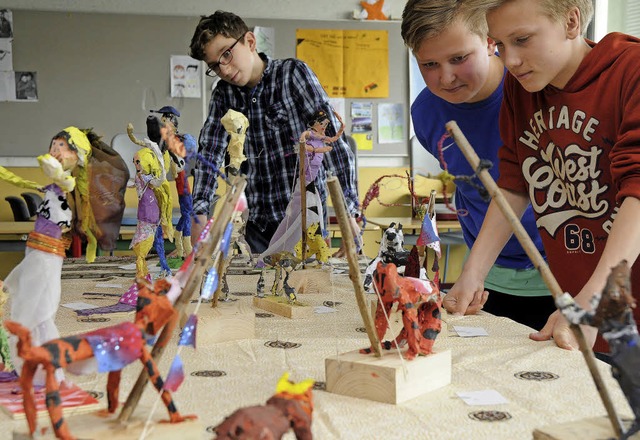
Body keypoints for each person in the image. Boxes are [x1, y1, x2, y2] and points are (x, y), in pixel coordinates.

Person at [454, 0, 640, 354]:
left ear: (571, 21)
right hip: (583, 306)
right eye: (500, 45)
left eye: (522, 39)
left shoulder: (631, 71)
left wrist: (595, 298)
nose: (509, 60)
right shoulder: (521, 88)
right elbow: (513, 181)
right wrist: (473, 272)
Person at [400, 0, 555, 330]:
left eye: (458, 58)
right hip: (487, 276)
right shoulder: (426, 113)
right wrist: (475, 272)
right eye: (428, 63)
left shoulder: (534, 91)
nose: (446, 77)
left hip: (560, 272)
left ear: (489, 41)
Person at [187, 10, 360, 256]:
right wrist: (200, 214)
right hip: (257, 226)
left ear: (250, 42)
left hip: (305, 224)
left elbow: (332, 143)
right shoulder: (223, 95)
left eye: (227, 54)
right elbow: (210, 152)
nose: (223, 69)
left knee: (307, 291)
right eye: (214, 65)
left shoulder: (292, 75)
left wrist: (349, 215)